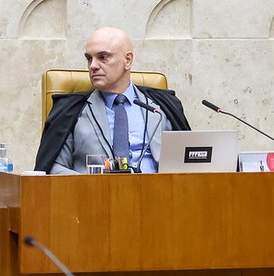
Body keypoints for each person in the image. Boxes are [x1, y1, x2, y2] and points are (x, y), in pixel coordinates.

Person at [34, 27, 191, 174]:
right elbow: (53, 169)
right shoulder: (71, 111)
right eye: (89, 59)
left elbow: (189, 164)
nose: (93, 66)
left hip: (161, 197)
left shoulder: (161, 107)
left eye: (103, 57)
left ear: (127, 60)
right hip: (95, 198)